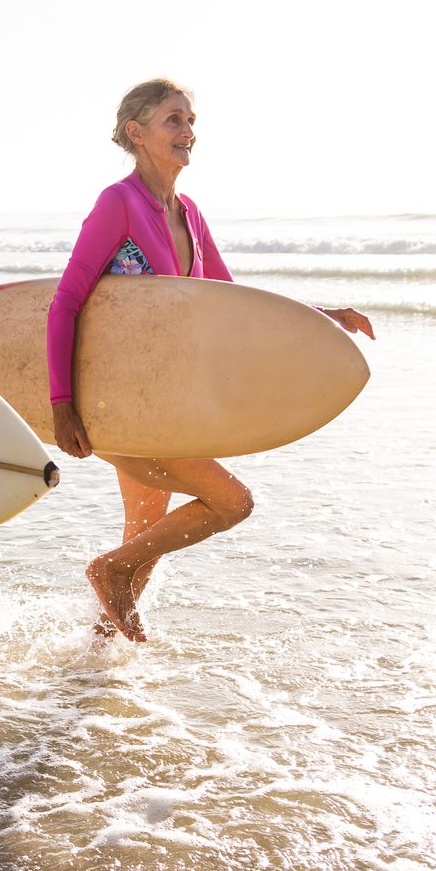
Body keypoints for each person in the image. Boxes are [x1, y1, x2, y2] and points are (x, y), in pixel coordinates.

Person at [48, 78, 373, 641]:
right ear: (137, 132)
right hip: (127, 402)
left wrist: (319, 314)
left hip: (170, 403)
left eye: (191, 120)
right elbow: (66, 301)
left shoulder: (190, 213)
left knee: (147, 528)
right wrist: (61, 405)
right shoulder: (118, 203)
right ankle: (109, 571)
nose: (188, 131)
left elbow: (232, 302)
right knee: (231, 502)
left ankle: (95, 659)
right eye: (174, 120)